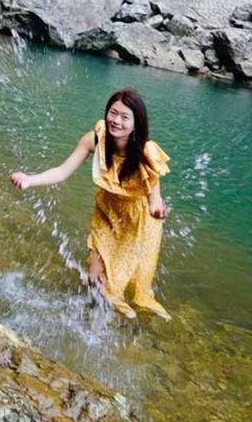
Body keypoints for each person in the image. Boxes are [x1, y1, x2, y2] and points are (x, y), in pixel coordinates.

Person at [10, 87, 171, 320]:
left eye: (125, 117)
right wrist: (30, 180)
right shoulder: (95, 140)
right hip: (106, 213)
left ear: (137, 123)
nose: (116, 121)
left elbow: (154, 201)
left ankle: (120, 315)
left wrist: (158, 212)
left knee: (127, 275)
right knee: (95, 276)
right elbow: (63, 171)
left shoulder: (146, 153)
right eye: (113, 113)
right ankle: (94, 315)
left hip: (139, 221)